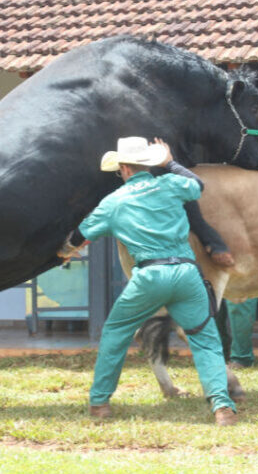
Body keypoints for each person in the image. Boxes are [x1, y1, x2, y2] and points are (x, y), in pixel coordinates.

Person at [59, 136, 238, 425]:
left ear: (124, 169)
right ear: (148, 165)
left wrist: (64, 252)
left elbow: (80, 236)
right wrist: (171, 163)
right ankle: (221, 406)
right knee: (205, 340)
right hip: (186, 273)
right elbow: (197, 185)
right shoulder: (170, 184)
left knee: (116, 332)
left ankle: (100, 403)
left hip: (149, 276)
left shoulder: (114, 202)